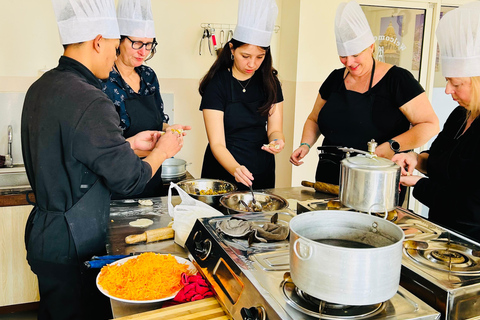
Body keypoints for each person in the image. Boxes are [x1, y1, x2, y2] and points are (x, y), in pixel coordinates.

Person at [21, 0, 187, 319]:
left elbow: (75, 155)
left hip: (47, 234)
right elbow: (131, 178)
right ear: (99, 41)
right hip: (74, 241)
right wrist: (162, 150)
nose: (113, 58)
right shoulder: (91, 99)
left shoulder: (41, 87)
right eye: (114, 47)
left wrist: (131, 143)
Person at [290, 1, 439, 189]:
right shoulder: (335, 78)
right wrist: (305, 144)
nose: (349, 62)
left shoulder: (398, 80)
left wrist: (392, 145)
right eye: (343, 56)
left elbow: (430, 125)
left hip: (376, 180)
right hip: (329, 175)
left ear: (371, 46)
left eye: (355, 54)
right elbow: (314, 119)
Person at [392, 2, 480, 242]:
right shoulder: (460, 115)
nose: (447, 90)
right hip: (441, 234)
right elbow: (443, 162)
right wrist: (416, 159)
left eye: (456, 83)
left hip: (472, 247)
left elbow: (471, 209)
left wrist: (418, 185)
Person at [199, 0, 284, 190]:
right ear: (232, 49)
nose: (252, 64)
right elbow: (217, 143)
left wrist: (277, 141)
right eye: (245, 56)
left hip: (261, 170)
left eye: (259, 57)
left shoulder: (271, 82)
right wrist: (235, 168)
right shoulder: (217, 84)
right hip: (223, 170)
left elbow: (275, 129)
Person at [102, 0, 172, 199]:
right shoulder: (104, 80)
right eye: (137, 44)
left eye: (149, 44)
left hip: (152, 174)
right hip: (118, 181)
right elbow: (104, 145)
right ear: (119, 41)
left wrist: (172, 131)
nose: (144, 52)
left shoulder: (148, 76)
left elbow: (159, 121)